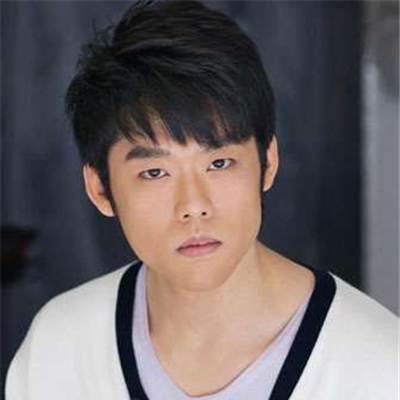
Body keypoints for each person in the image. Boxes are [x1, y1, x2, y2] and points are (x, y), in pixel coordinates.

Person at [5, 1, 398, 399]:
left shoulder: (378, 364)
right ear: (100, 189)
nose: (193, 205)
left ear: (268, 163)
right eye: (154, 172)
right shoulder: (59, 349)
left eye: (219, 163)